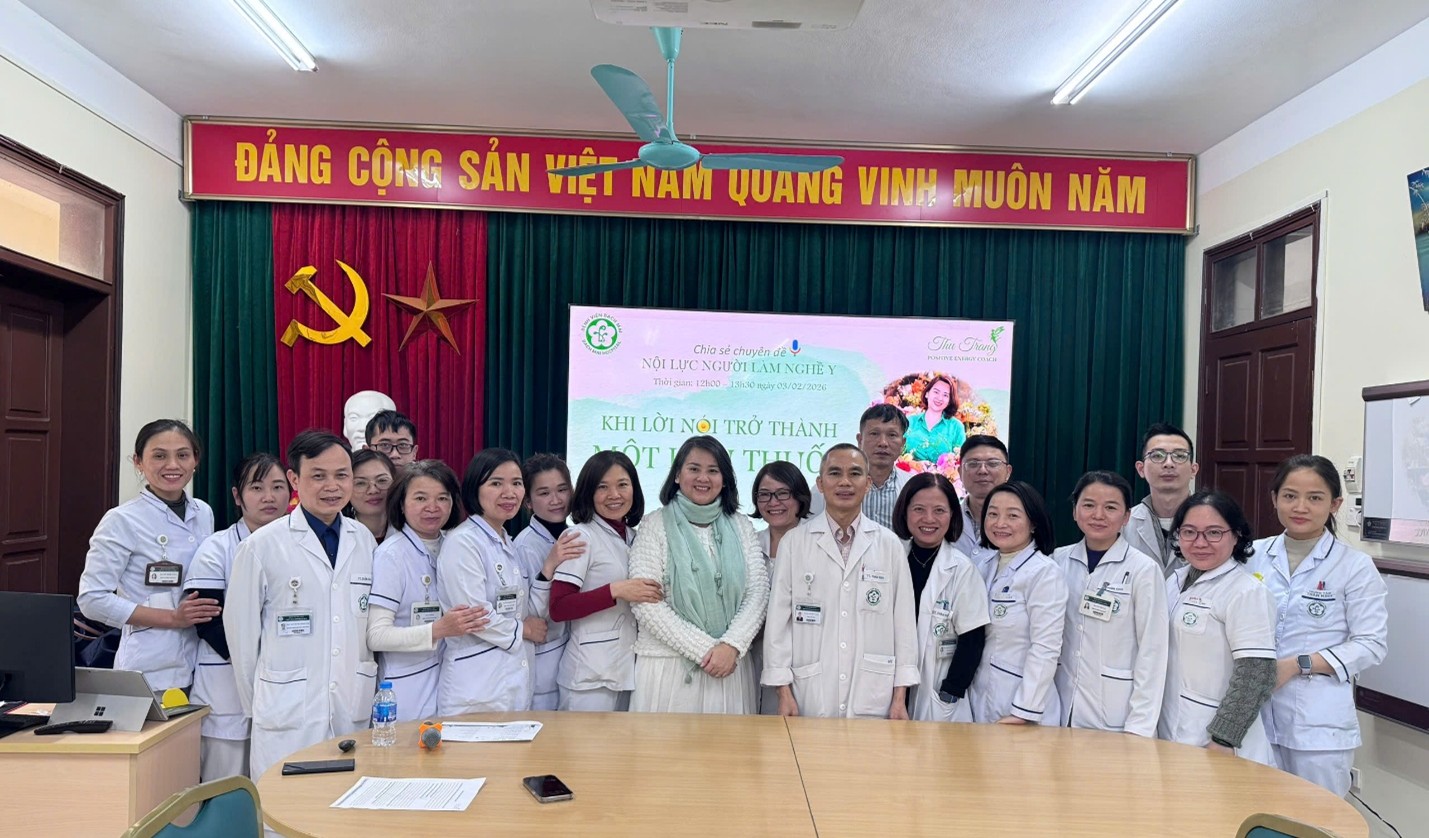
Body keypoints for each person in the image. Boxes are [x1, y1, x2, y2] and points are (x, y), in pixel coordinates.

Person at [227, 429, 379, 781]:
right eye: (318, 476)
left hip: (350, 707)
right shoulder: (262, 546)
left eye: (341, 475)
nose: (332, 486)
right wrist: (264, 704)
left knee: (347, 803)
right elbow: (242, 639)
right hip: (286, 715)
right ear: (294, 479)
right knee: (283, 806)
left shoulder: (364, 541)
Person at [1249, 455, 1389, 795]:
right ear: (1274, 499)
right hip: (1253, 718)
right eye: (1290, 495)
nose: (1300, 507)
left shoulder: (1354, 566)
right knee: (1253, 813)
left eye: (1314, 498)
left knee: (1315, 818)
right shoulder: (1251, 555)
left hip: (1318, 729)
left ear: (1334, 505)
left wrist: (1298, 665)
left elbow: (1371, 644)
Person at [763, 443, 918, 719]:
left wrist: (899, 697)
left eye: (855, 473)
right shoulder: (795, 543)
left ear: (867, 483)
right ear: (820, 484)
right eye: (835, 473)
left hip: (875, 693)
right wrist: (783, 692)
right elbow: (778, 624)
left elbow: (904, 626)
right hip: (809, 693)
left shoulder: (889, 544)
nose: (845, 482)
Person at [628, 436, 770, 714]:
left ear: (724, 479)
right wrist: (707, 651)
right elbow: (646, 602)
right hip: (669, 667)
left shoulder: (741, 526)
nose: (703, 478)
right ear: (677, 475)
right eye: (694, 468)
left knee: (727, 743)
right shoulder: (654, 524)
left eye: (713, 470)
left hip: (730, 666)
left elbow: (758, 591)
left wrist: (731, 646)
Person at [78, 419, 217, 693]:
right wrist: (172, 618)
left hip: (202, 662)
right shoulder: (122, 520)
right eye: (159, 456)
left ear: (195, 460)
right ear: (138, 462)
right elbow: (92, 599)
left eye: (182, 455)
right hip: (149, 668)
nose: (172, 465)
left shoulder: (203, 512)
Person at [184, 453, 288, 781]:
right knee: (225, 787)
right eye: (257, 488)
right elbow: (207, 621)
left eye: (278, 487)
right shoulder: (217, 548)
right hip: (226, 690)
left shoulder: (299, 547)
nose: (269, 497)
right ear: (237, 496)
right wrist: (261, 663)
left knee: (275, 787)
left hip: (285, 689)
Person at [1159, 491, 1277, 766]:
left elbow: (1256, 673)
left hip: (1218, 742)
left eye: (1214, 533)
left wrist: (1224, 738)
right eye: (1189, 532)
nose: (1200, 542)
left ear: (1236, 536)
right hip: (1172, 728)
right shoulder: (1173, 581)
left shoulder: (1246, 591)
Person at [367, 460, 491, 721]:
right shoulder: (391, 555)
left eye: (442, 498)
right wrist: (437, 630)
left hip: (455, 683)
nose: (433, 507)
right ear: (401, 504)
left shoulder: (456, 545)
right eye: (420, 498)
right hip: (407, 687)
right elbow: (376, 636)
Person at [1052, 471, 1168, 737]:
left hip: (1117, 713)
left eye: (1111, 507)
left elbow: (1153, 651)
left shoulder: (1143, 570)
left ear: (1126, 517)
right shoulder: (1057, 561)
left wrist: (1140, 726)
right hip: (1060, 706)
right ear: (1075, 511)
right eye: (1089, 505)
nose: (1098, 515)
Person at [548, 450, 662, 711]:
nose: (614, 495)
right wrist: (615, 590)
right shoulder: (580, 536)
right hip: (589, 677)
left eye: (622, 485)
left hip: (628, 672)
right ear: (588, 492)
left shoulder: (636, 537)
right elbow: (559, 607)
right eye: (603, 487)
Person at [436, 449, 542, 715]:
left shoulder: (506, 540)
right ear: (475, 489)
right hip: (476, 687)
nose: (509, 493)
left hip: (509, 679)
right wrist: (524, 630)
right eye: (496, 483)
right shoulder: (463, 542)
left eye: (516, 483)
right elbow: (474, 616)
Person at [966, 481, 1066, 726]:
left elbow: (1046, 646)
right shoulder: (982, 565)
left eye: (1012, 516)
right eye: (993, 514)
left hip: (1023, 704)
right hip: (980, 693)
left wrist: (1024, 710)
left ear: (1033, 523)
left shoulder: (1044, 572)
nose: (1000, 523)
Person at [891, 473, 989, 722]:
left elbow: (972, 640)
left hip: (936, 688)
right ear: (904, 512)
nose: (929, 519)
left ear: (952, 515)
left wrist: (950, 691)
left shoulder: (962, 569)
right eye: (919, 509)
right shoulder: (891, 558)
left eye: (939, 510)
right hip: (888, 683)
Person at [513, 453, 586, 710]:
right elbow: (530, 616)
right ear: (528, 501)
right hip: (542, 667)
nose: (556, 500)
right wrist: (549, 567)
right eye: (544, 493)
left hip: (573, 659)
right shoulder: (524, 546)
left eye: (562, 490)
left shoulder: (577, 535)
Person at [750, 460, 813, 714]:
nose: (773, 502)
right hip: (751, 657)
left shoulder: (817, 546)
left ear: (799, 497)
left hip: (801, 661)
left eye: (783, 493)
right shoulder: (749, 545)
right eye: (765, 494)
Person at [807, 404, 912, 529]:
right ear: (860, 439)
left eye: (892, 435)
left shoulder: (912, 487)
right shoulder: (827, 488)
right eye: (874, 434)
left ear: (903, 444)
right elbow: (809, 531)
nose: (883, 443)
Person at [1126, 423, 1199, 576]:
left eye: (1180, 456)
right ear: (1141, 469)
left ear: (1193, 470)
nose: (1169, 464)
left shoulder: (1218, 524)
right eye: (1157, 456)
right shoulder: (1123, 524)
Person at [955, 435, 1012, 564]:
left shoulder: (1024, 522)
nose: (982, 470)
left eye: (993, 463)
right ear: (960, 472)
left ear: (1008, 472)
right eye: (973, 464)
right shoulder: (946, 519)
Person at [904, 376, 967, 464]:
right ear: (927, 393)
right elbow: (897, 454)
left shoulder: (956, 427)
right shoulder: (909, 421)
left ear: (949, 401)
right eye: (936, 392)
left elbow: (960, 461)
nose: (940, 398)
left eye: (945, 395)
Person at [347, 449, 396, 543]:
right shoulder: (337, 535)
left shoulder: (413, 529)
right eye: (360, 483)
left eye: (382, 480)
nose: (373, 490)